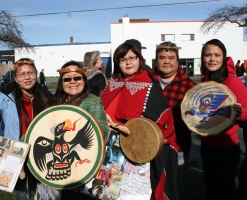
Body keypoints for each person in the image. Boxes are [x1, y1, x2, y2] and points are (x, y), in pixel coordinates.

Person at [100, 42, 179, 199]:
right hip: (108, 153)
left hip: (135, 153)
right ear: (117, 63)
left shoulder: (149, 85)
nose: (128, 62)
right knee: (107, 193)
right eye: (123, 59)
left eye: (132, 58)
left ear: (139, 59)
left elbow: (163, 122)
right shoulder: (111, 86)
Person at [0, 58, 53, 199]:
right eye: (22, 74)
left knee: (45, 194)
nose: (26, 77)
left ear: (36, 74)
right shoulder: (5, 97)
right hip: (17, 157)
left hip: (42, 156)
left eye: (30, 73)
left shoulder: (48, 97)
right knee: (22, 195)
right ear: (16, 78)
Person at [44, 60, 108, 199]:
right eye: (67, 79)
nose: (72, 81)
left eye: (77, 77)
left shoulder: (93, 101)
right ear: (62, 82)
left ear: (84, 80)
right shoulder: (53, 103)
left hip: (82, 171)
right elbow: (40, 129)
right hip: (54, 170)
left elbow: (101, 133)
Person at [200, 39, 247, 200]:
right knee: (211, 187)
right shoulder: (206, 80)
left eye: (217, 55)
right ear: (202, 57)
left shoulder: (233, 81)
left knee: (225, 190)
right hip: (207, 145)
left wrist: (239, 112)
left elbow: (246, 111)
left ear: (223, 57)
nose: (212, 59)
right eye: (208, 55)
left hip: (227, 147)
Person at [149, 41, 195, 199]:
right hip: (149, 144)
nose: (166, 61)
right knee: (150, 184)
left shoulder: (189, 87)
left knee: (174, 185)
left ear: (177, 61)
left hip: (178, 145)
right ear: (156, 60)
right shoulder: (147, 81)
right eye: (162, 57)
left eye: (171, 57)